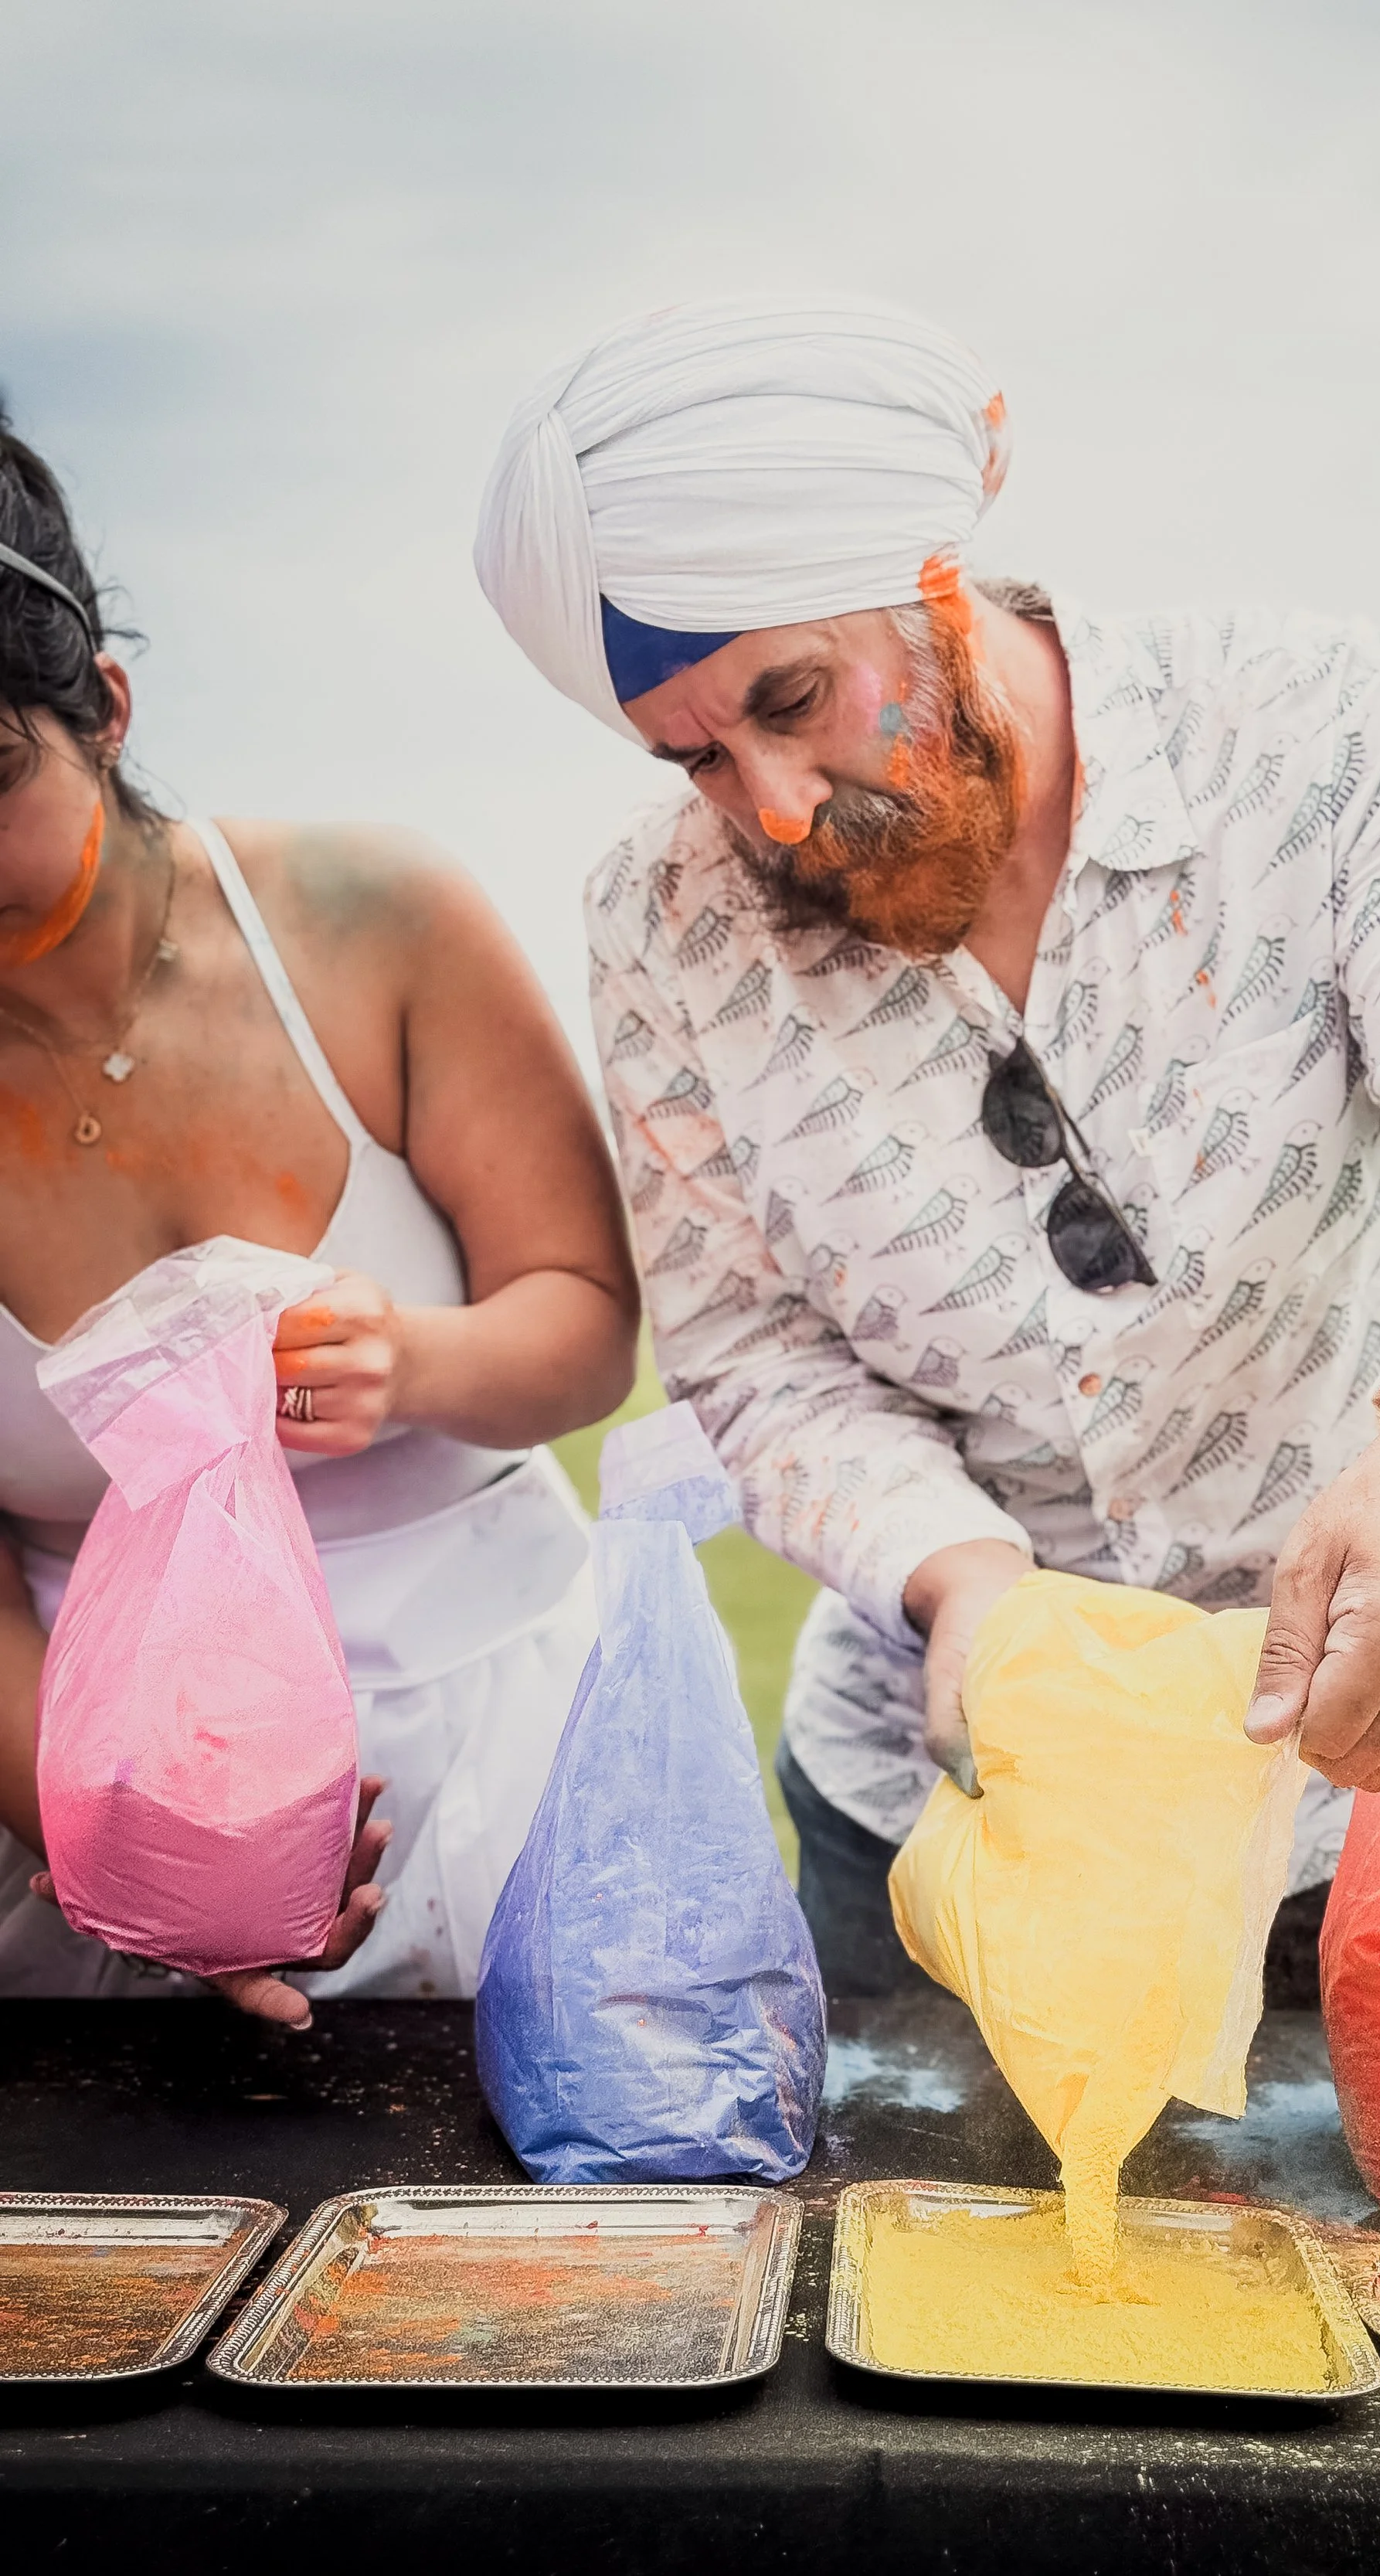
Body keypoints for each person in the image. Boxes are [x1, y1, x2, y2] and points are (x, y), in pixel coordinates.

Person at [474, 294, 1380, 1997]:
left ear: (934, 565)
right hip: (954, 1809)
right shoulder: (666, 927)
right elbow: (746, 1346)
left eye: (795, 696)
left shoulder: (1320, 731)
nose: (778, 806)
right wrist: (968, 1589)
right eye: (698, 762)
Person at [0, 410, 640, 2022]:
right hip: (108, 1803)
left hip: (506, 1735)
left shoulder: (374, 915)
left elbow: (583, 1323)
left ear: (107, 715)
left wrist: (409, 1362)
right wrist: (120, 1837)